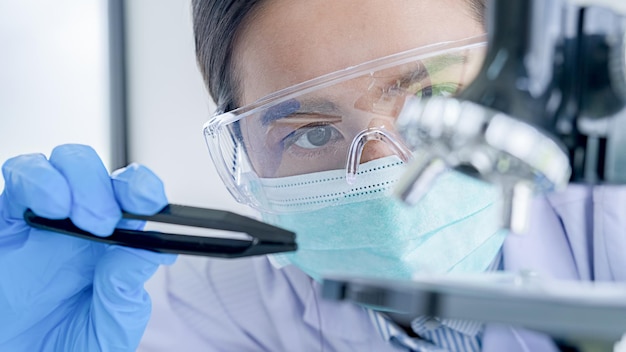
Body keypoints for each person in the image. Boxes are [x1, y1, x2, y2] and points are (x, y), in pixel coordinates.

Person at [1, 0, 625, 351]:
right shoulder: (205, 308)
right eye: (311, 132)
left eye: (432, 99)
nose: (383, 171)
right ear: (243, 147)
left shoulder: (610, 228)